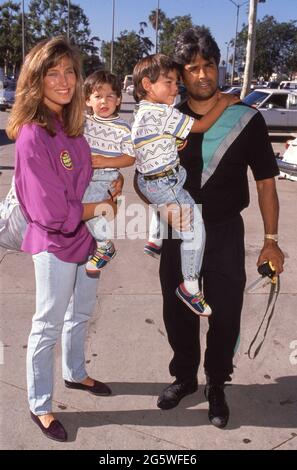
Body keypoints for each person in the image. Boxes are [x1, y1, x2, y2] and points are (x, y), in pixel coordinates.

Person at [156, 27, 284, 428]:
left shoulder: (247, 118)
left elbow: (265, 182)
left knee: (226, 314)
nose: (202, 74)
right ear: (182, 73)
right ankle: (184, 378)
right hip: (179, 232)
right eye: (192, 68)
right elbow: (149, 176)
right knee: (179, 312)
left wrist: (271, 241)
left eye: (208, 65)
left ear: (218, 67)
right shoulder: (168, 119)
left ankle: (216, 383)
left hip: (226, 232)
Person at [6, 36, 121, 442]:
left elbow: (86, 174)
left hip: (84, 239)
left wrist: (110, 184)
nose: (64, 80)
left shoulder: (70, 126)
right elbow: (50, 212)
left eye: (69, 71)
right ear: (35, 81)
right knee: (48, 323)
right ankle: (40, 405)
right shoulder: (33, 135)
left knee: (80, 315)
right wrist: (101, 207)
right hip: (54, 244)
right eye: (52, 73)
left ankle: (75, 373)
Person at [132, 54, 239, 316]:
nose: (175, 88)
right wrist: (224, 101)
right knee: (195, 230)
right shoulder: (162, 113)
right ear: (147, 84)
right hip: (164, 182)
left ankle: (155, 238)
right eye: (168, 82)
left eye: (176, 82)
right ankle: (190, 286)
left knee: (175, 187)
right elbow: (201, 126)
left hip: (151, 180)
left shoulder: (143, 111)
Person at [83, 70, 135, 274]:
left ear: (119, 99)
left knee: (88, 209)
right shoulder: (83, 123)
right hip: (84, 177)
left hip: (105, 178)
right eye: (97, 96)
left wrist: (107, 161)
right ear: (88, 100)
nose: (104, 101)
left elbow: (130, 158)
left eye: (110, 96)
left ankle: (105, 246)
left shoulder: (123, 128)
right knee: (85, 211)